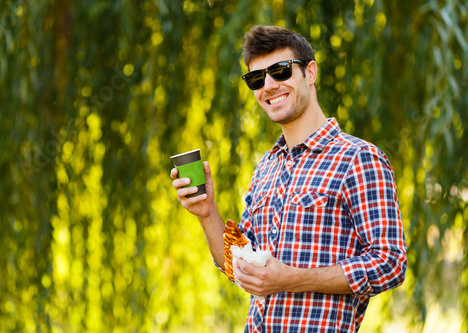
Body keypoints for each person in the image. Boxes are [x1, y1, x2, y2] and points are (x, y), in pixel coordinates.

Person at [171, 25, 407, 332]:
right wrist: (207, 212)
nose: (268, 85)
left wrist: (291, 278)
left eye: (280, 71)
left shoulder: (358, 159)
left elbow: (390, 263)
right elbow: (239, 266)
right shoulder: (266, 167)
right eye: (256, 78)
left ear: (310, 73)